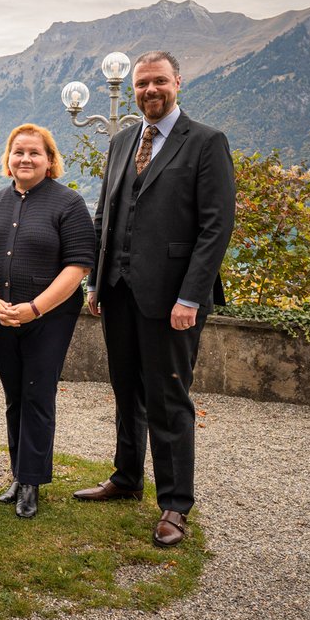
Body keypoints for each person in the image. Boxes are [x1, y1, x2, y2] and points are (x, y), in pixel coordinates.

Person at [75, 50, 236, 547]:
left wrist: (191, 297)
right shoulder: (123, 140)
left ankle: (175, 505)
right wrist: (98, 283)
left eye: (158, 82)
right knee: (126, 390)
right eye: (142, 83)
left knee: (168, 400)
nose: (148, 90)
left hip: (173, 300)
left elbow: (216, 227)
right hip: (119, 293)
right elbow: (105, 215)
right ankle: (126, 478)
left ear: (177, 83)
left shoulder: (206, 142)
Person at [0, 124, 94, 519]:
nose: (25, 159)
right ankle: (18, 474)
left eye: (34, 153)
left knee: (37, 395)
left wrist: (35, 308)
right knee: (14, 396)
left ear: (49, 159)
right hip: (1, 317)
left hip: (49, 319)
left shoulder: (68, 203)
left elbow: (77, 266)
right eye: (18, 152)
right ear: (8, 158)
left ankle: (32, 483)